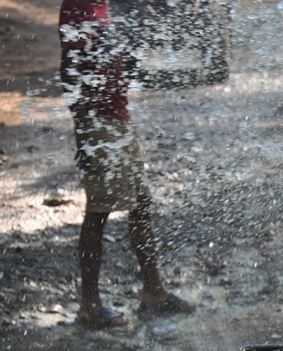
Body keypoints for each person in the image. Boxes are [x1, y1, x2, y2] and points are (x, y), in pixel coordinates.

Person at [59, 0, 194, 329]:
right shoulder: (79, 5)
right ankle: (89, 304)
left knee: (141, 203)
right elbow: (69, 70)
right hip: (101, 124)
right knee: (100, 210)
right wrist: (84, 130)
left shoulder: (98, 5)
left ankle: (153, 291)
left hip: (117, 119)